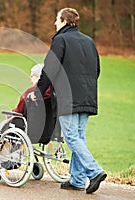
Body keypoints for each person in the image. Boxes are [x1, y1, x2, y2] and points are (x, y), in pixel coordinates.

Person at [30, 8, 106, 193]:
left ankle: (94, 171)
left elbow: (49, 69)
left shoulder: (60, 40)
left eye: (57, 19)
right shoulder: (89, 41)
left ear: (64, 20)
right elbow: (97, 70)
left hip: (68, 97)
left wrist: (38, 92)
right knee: (78, 137)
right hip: (87, 96)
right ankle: (78, 180)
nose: (55, 23)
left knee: (72, 137)